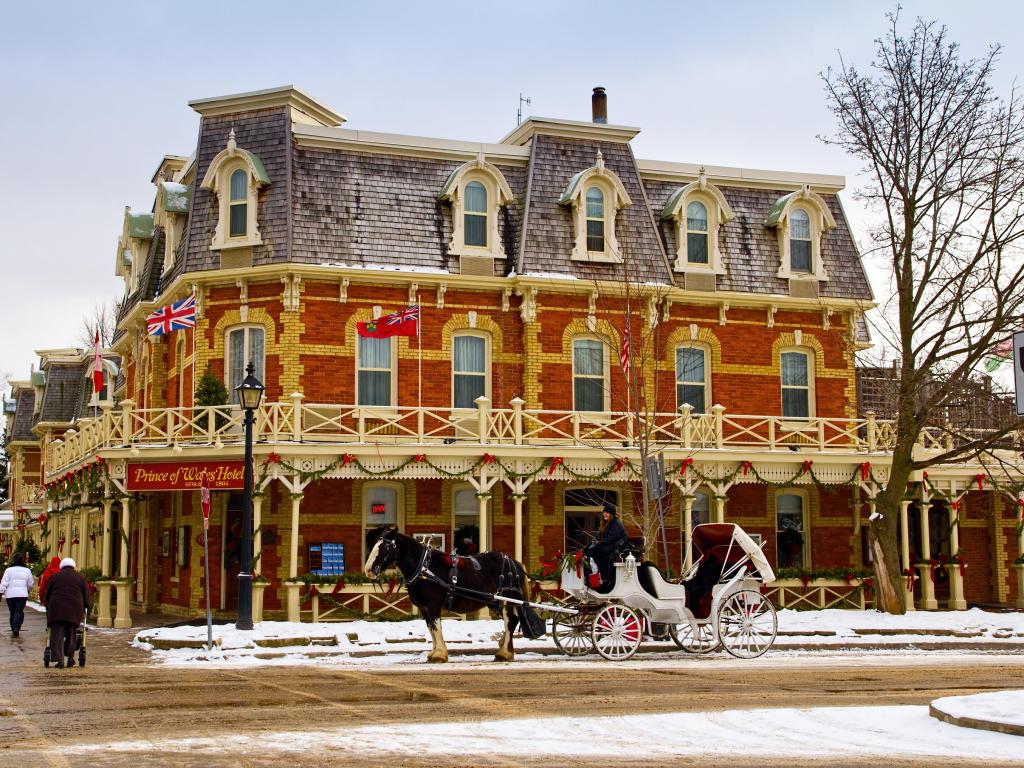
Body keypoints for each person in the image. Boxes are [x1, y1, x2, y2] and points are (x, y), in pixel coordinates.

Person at [43, 557, 90, 668]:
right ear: (73, 566)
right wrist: (87, 604)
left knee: (57, 634)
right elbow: (86, 595)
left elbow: (47, 593)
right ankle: (70, 658)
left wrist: (46, 603)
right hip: (74, 609)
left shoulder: (54, 577)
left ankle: (59, 660)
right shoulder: (80, 577)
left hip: (56, 609)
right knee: (71, 633)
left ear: (62, 566)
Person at [586, 508, 628, 591]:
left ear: (612, 514)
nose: (605, 514)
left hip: (616, 547)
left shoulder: (616, 524)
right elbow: (602, 536)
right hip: (608, 546)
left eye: (607, 512)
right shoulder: (608, 523)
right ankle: (595, 576)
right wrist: (596, 542)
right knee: (590, 551)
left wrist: (599, 543)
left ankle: (601, 578)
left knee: (593, 552)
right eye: (604, 512)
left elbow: (612, 539)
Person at [0, 553, 35, 638]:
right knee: (18, 611)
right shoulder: (27, 570)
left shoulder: (8, 570)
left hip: (10, 595)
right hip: (22, 595)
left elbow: (4, 583)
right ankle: (16, 626)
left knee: (12, 611)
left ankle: (13, 626)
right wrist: (27, 590)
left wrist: (0, 592)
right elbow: (30, 584)